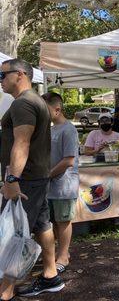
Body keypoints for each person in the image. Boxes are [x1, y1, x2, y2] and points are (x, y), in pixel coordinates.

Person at [0, 59, 64, 299]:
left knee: (14, 232)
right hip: (37, 176)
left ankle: (4, 291)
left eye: (2, 75)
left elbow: (22, 142)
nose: (1, 81)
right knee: (41, 225)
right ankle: (51, 275)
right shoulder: (33, 101)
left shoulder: (24, 103)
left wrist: (12, 179)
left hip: (24, 179)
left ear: (19, 75)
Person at [42, 92, 79, 274]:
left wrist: (48, 175)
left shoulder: (68, 129)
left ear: (57, 109)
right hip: (51, 184)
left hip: (64, 184)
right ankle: (59, 253)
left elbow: (68, 160)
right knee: (54, 221)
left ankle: (63, 256)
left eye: (45, 109)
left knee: (63, 220)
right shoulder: (50, 129)